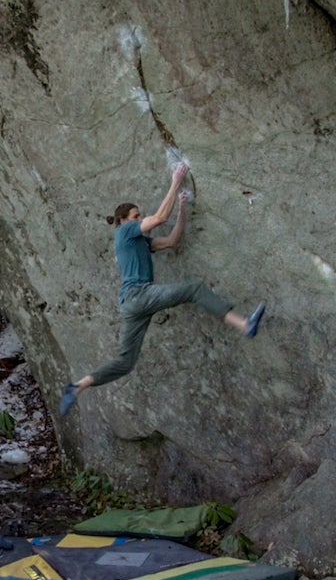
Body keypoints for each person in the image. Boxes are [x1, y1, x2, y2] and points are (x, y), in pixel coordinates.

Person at [59, 162, 265, 416]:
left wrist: (181, 207)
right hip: (139, 295)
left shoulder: (139, 242)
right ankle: (244, 324)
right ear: (123, 221)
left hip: (131, 305)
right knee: (194, 288)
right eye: (136, 217)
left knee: (125, 363)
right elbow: (158, 218)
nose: (139, 219)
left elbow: (171, 240)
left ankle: (78, 386)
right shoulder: (124, 232)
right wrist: (176, 180)